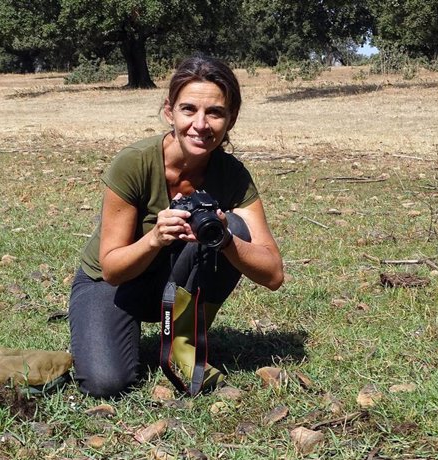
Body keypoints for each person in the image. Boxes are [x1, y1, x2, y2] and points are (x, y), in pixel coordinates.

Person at [69, 55, 283, 398]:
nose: (201, 124)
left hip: (172, 282)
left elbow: (273, 274)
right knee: (106, 382)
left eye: (215, 113)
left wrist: (226, 239)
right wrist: (155, 237)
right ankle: (107, 329)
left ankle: (183, 345)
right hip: (113, 283)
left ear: (231, 119)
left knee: (238, 229)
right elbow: (111, 269)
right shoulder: (134, 163)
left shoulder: (232, 176)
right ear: (170, 112)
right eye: (189, 110)